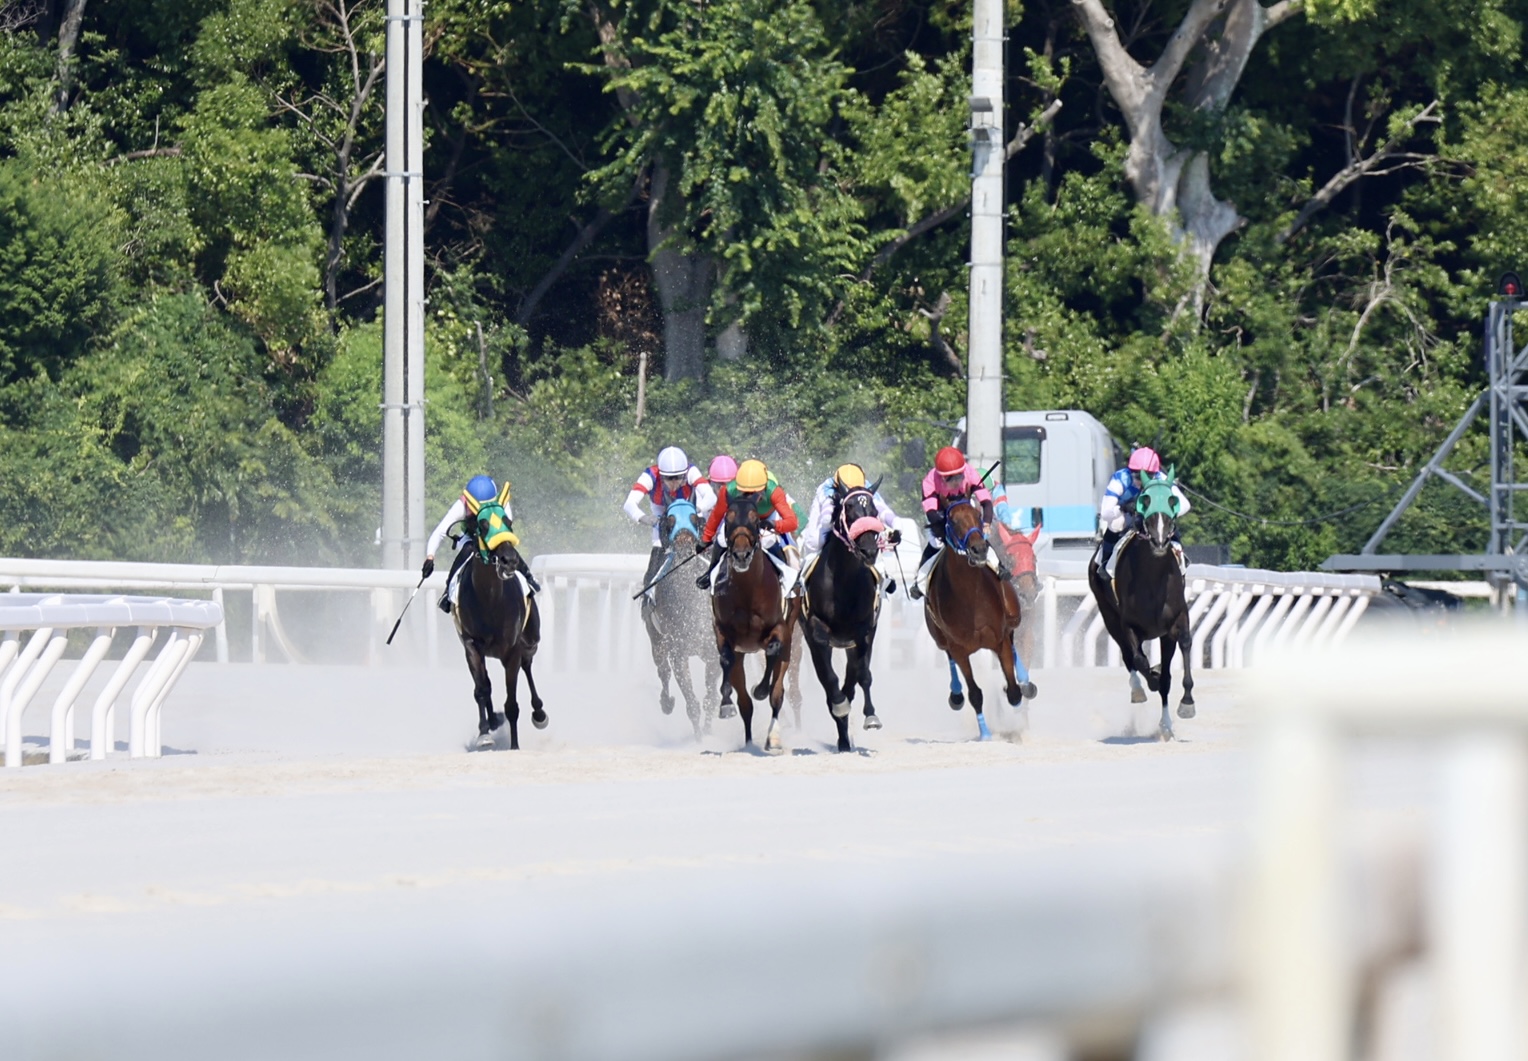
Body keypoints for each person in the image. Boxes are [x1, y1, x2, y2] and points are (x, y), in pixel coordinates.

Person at [423, 475, 540, 614]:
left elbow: (507, 527)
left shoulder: (501, 502)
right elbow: (440, 531)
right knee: (468, 550)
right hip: (471, 537)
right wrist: (430, 557)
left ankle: (528, 577)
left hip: (494, 534)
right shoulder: (462, 505)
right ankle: (447, 593)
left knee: (506, 546)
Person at [624, 446, 716, 599]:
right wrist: (645, 518)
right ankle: (648, 595)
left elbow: (710, 496)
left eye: (678, 478)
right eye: (669, 478)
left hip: (688, 513)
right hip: (662, 515)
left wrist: (697, 509)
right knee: (657, 549)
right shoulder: (650, 475)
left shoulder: (691, 471)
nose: (674, 483)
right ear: (661, 475)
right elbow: (629, 504)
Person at [695, 459, 800, 591]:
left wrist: (774, 524)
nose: (750, 496)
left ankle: (784, 573)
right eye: (745, 492)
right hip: (741, 518)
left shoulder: (775, 492)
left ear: (764, 488)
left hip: (767, 517)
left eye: (754, 493)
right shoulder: (727, 490)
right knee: (721, 539)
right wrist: (706, 539)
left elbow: (792, 522)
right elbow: (716, 516)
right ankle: (711, 571)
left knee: (768, 540)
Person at [908, 446, 996, 600]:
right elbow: (931, 512)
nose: (956, 482)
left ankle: (999, 567)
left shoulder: (970, 472)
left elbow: (986, 502)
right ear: (941, 477)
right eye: (950, 479)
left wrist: (987, 523)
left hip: (965, 508)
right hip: (940, 515)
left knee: (977, 536)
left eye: (959, 476)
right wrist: (948, 525)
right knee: (935, 544)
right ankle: (920, 581)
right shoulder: (930, 481)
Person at [1098, 446, 1191, 577]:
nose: (1142, 481)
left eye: (1149, 476)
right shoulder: (1120, 479)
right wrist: (1123, 508)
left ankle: (1180, 558)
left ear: (1155, 474)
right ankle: (1105, 561)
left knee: (1165, 523)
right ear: (1131, 472)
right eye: (1138, 476)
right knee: (1115, 524)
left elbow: (1185, 505)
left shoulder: (1162, 478)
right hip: (1126, 515)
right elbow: (1106, 513)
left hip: (1150, 517)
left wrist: (1167, 513)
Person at [800, 463, 901, 559]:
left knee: (877, 544)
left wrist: (896, 526)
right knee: (814, 542)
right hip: (825, 514)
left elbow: (881, 508)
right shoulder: (827, 488)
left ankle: (879, 568)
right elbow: (826, 519)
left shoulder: (866, 487)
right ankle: (806, 565)